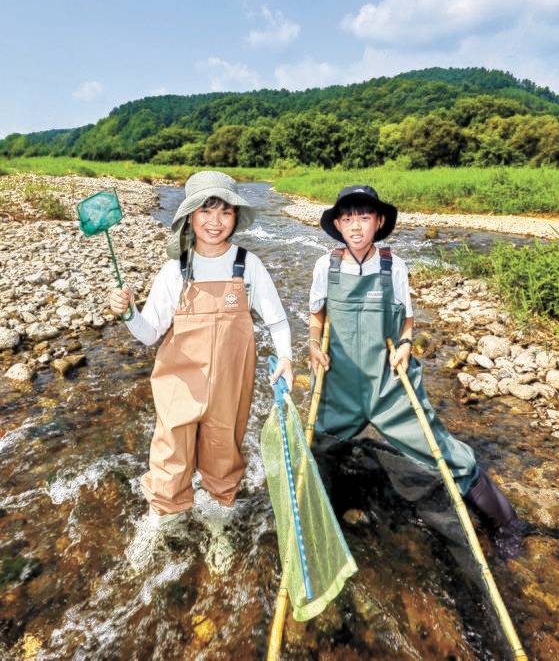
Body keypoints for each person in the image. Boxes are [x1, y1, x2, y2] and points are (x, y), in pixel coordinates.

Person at [308, 185, 524, 558]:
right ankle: (327, 515)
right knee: (316, 448)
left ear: (378, 222)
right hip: (338, 383)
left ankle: (506, 521)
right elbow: (316, 317)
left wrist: (406, 345)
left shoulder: (394, 266)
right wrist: (313, 345)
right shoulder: (325, 265)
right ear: (338, 225)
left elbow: (406, 321)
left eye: (364, 217)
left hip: (389, 383)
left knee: (441, 451)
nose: (356, 226)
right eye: (348, 218)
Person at [110, 171, 293, 528]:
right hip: (179, 383)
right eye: (206, 211)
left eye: (225, 212)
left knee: (225, 451)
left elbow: (278, 321)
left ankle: (218, 521)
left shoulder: (248, 265)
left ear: (236, 217)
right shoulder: (173, 271)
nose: (216, 221)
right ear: (190, 217)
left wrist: (285, 357)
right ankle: (162, 520)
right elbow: (148, 335)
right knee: (170, 455)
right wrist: (129, 312)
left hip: (229, 383)